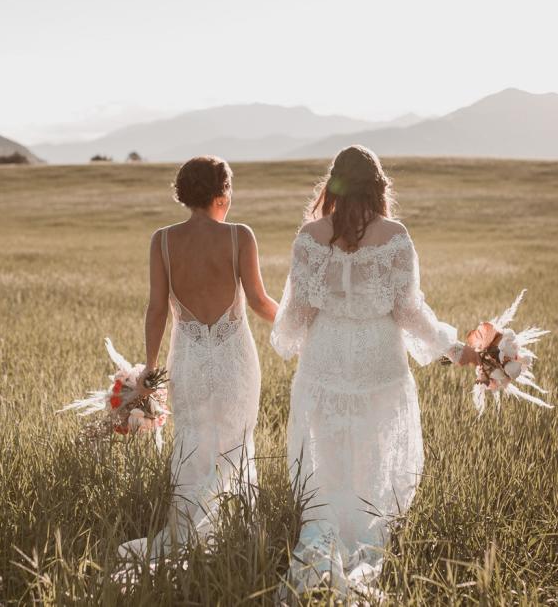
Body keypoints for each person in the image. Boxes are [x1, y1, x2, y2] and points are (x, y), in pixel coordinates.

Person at [270, 145, 487, 597]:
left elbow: (297, 313)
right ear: (378, 185)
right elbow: (409, 311)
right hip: (379, 364)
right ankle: (364, 544)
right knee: (373, 455)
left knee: (328, 457)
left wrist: (298, 326)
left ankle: (322, 541)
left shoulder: (311, 236)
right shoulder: (394, 235)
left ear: (333, 185)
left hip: (325, 359)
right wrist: (452, 347)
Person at [119, 155, 279, 565]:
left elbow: (156, 309)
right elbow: (260, 302)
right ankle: (231, 532)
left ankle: (188, 529)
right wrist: (299, 324)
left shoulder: (163, 240)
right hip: (235, 360)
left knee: (192, 441)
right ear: (222, 194)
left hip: (186, 358)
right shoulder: (239, 235)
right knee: (235, 443)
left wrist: (149, 372)